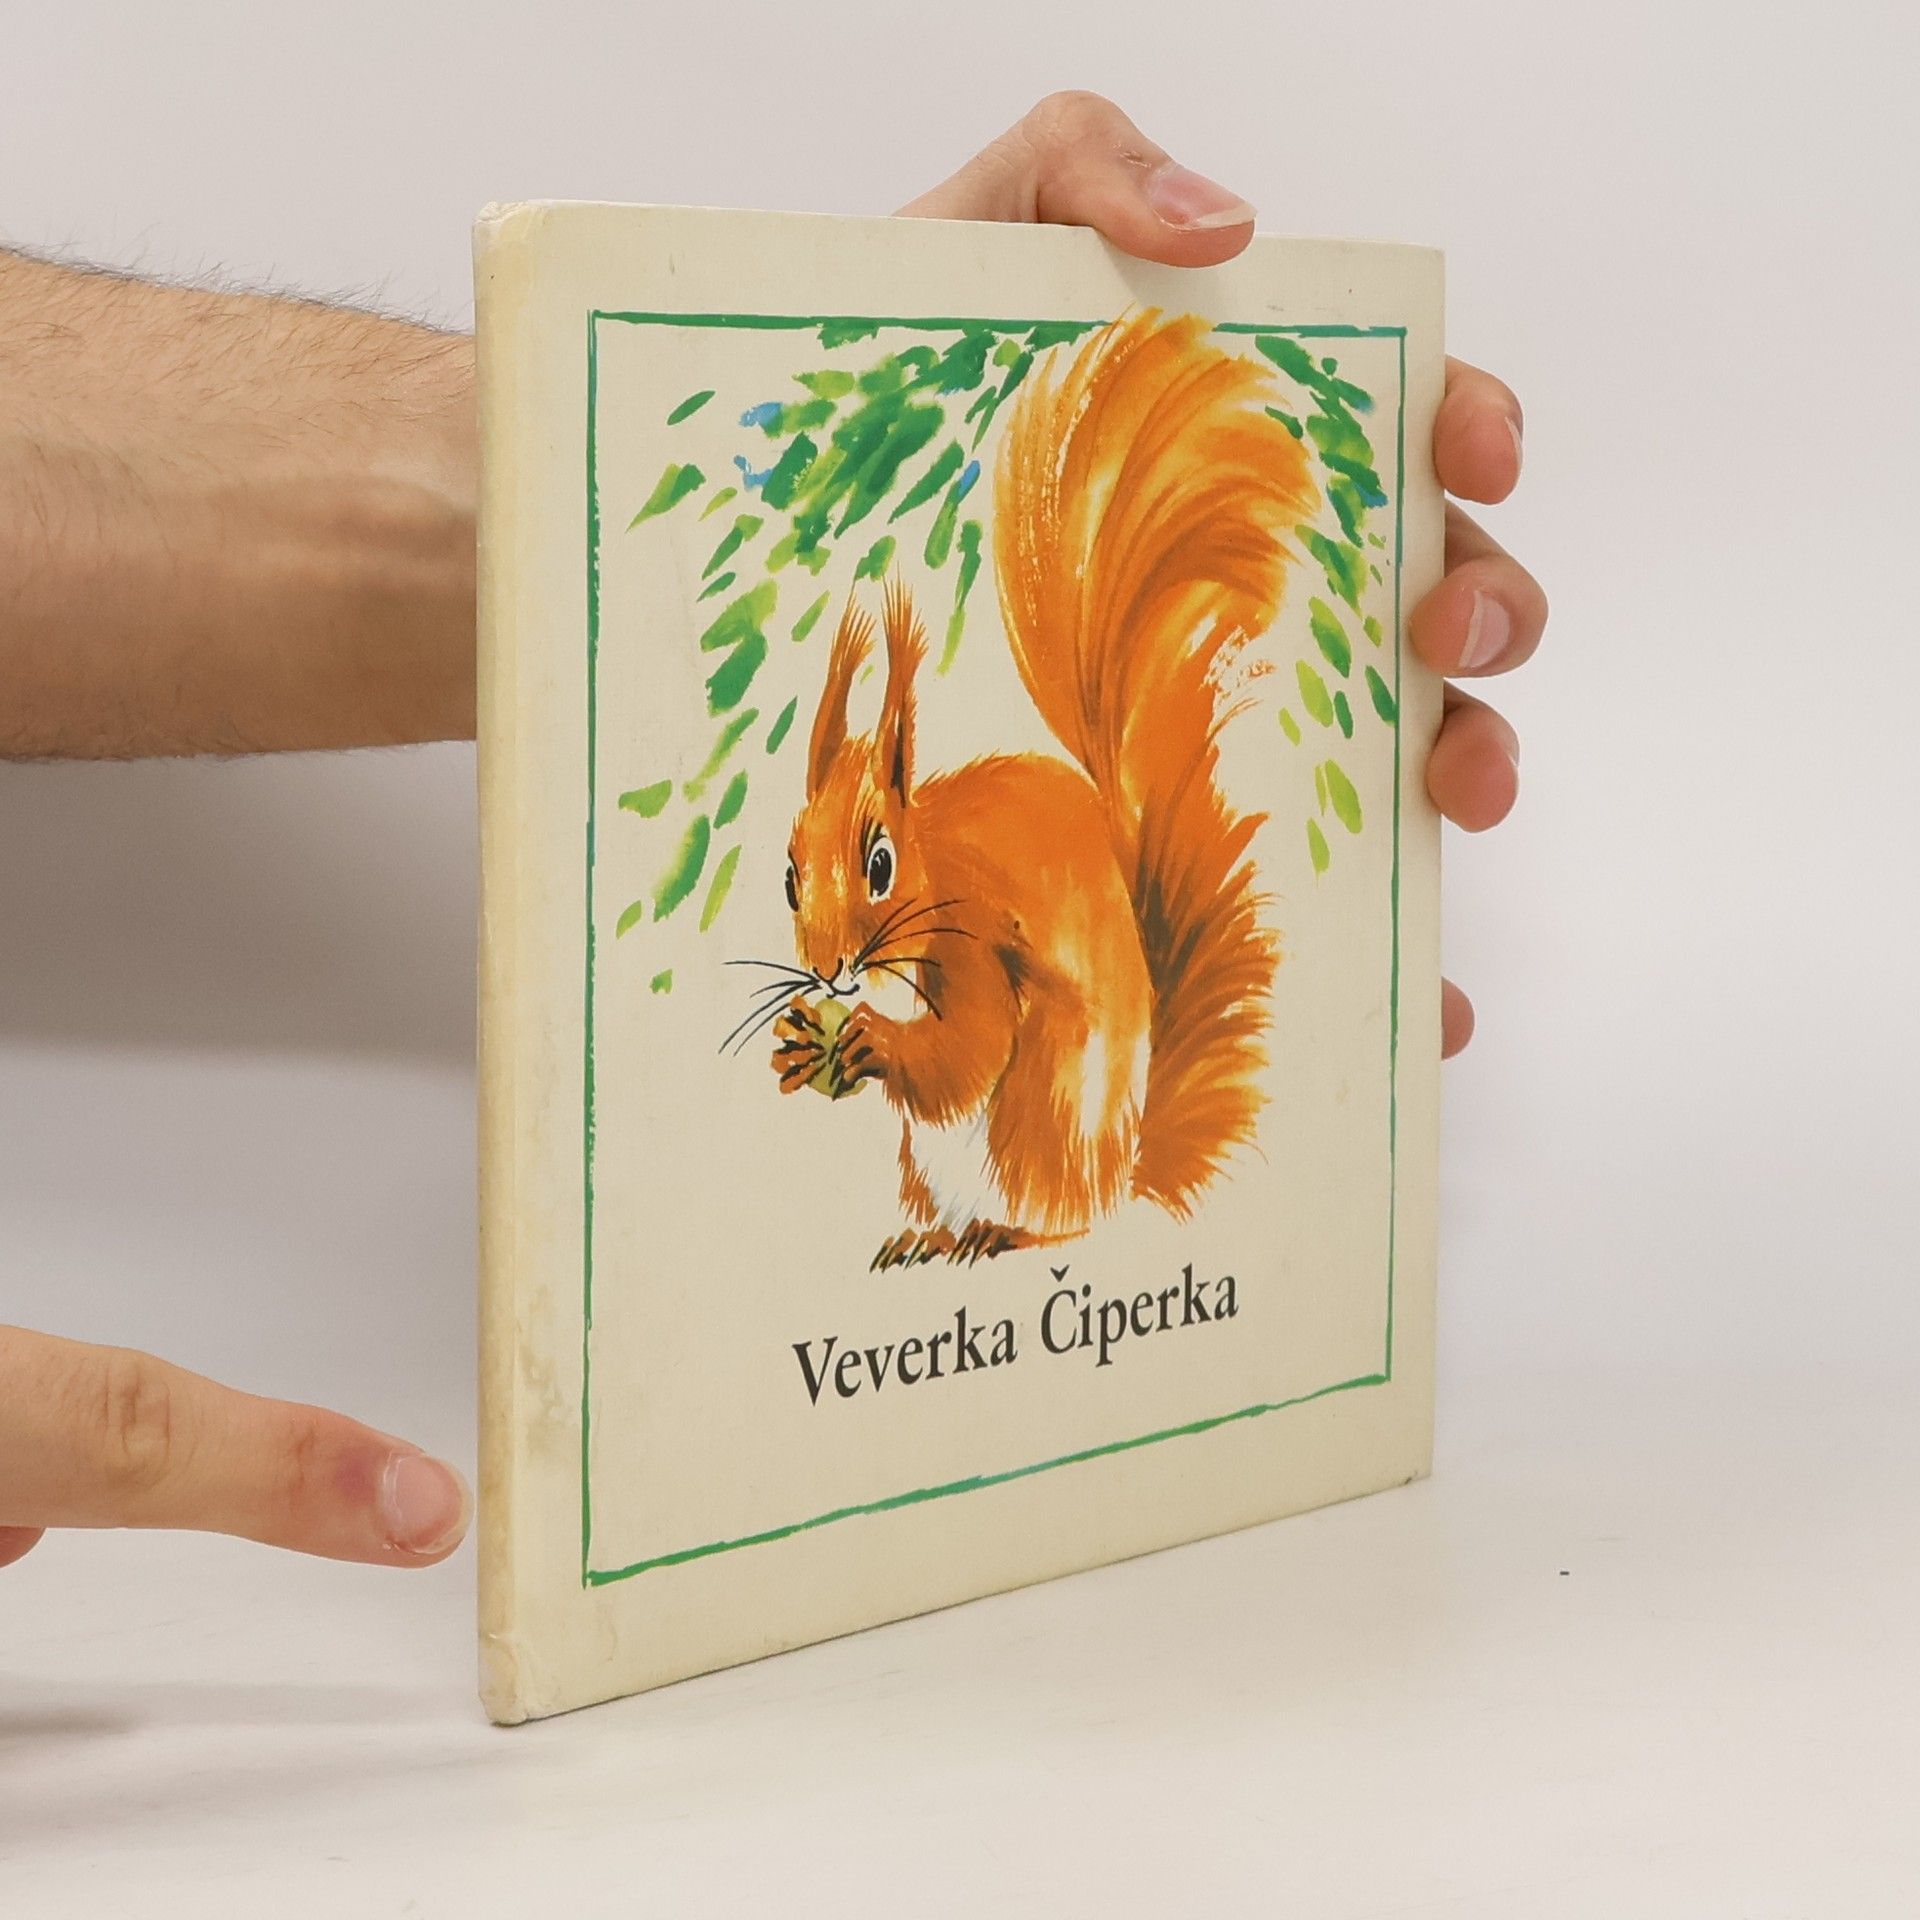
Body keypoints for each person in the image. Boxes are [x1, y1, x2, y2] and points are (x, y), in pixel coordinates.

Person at [0, 93, 1544, 1578]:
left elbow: (968, 1055)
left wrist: (873, 1047)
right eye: (813, 892)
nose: (836, 942)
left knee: (1015, 1081)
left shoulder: (964, 881)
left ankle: (1040, 1237)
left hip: (1060, 1096)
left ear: (898, 821)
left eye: (863, 881)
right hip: (980, 1130)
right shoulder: (878, 893)